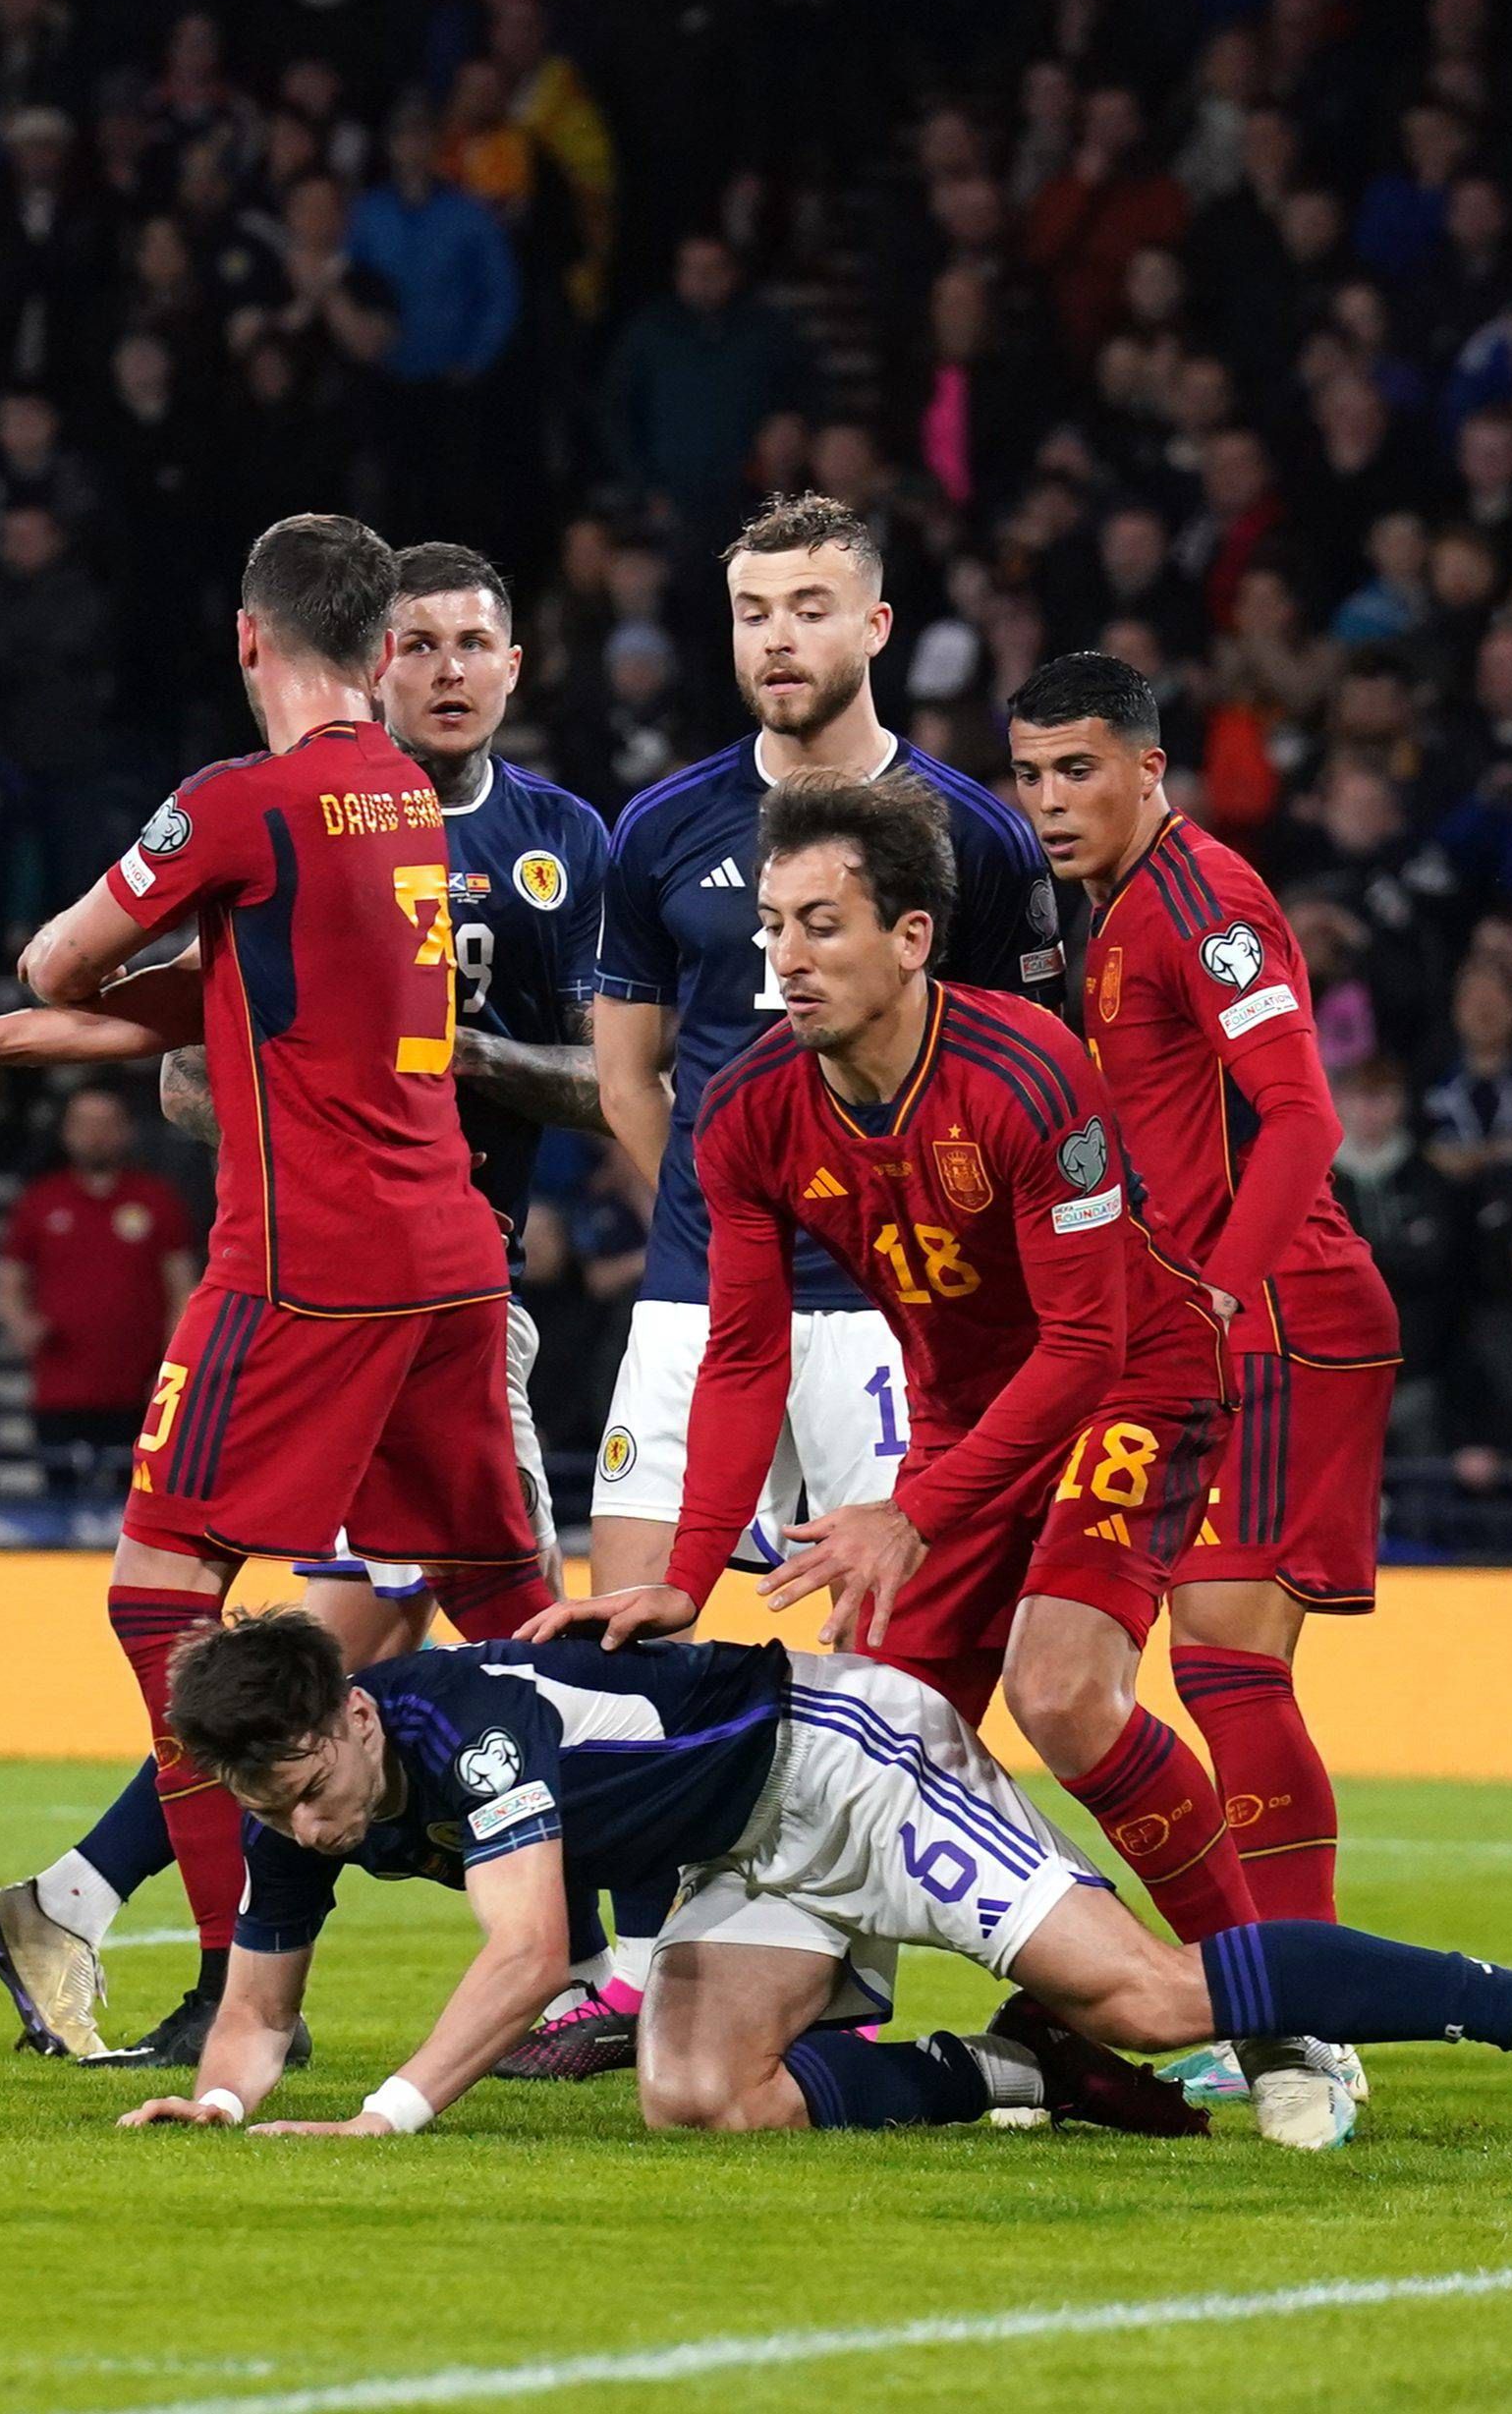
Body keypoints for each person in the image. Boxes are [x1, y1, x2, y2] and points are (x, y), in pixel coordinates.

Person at [540, 769, 1368, 2144]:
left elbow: (1087, 1344)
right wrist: (686, 1575)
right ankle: (976, 2021)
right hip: (968, 1426)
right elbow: (741, 1358)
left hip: (1132, 1388)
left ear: (911, 937)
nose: (785, 961)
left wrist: (905, 1514)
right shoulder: (747, 1111)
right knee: (877, 1737)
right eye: (772, 930)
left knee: (1059, 1689)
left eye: (821, 926)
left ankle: (1283, 2018)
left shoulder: (1029, 1070)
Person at [0, 515, 557, 2071]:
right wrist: (1, 1040)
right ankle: (646, 1926)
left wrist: (30, 996)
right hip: (451, 1261)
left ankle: (231, 1976)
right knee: (511, 1599)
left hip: (308, 1265)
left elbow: (67, 955)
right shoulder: (400, 799)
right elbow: (238, 992)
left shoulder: (235, 804)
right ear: (385, 654)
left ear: (248, 638)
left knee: (155, 1595)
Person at [111, 1606, 1512, 2157]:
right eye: (272, 1801)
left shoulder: (474, 1728)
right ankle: (1011, 2066)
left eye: (311, 1786)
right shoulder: (285, 1794)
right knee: (697, 2097)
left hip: (840, 1760)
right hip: (738, 1841)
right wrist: (230, 2100)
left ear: (357, 1714)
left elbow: (526, 1952)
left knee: (1148, 1995)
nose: (302, 1826)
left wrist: (388, 2115)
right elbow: (255, 2015)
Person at [578, 492, 1062, 2006]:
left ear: (873, 626)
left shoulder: (970, 838)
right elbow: (623, 1074)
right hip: (696, 1301)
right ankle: (637, 1960)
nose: (775, 636)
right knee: (633, 1624)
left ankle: (856, 1961)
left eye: (805, 607)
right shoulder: (660, 826)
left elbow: (1024, 1074)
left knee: (884, 1663)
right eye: (751, 612)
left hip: (891, 1311)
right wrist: (737, 1224)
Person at [1004, 652, 1402, 1996]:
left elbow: (1301, 1116)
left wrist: (1220, 1293)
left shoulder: (1203, 899)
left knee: (1227, 1660)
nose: (1051, 802)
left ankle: (1299, 2009)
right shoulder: (1112, 911)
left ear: (1147, 769)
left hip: (1277, 1311)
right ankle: (1264, 1989)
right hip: (1197, 1325)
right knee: (1202, 1661)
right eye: (1031, 776)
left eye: (1078, 771)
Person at [0, 1084, 196, 1465]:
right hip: (58, 1390)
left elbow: (183, 1290)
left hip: (139, 1389)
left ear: (127, 1131)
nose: (95, 1135)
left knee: (133, 1504)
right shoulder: (39, 1201)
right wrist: (21, 1324)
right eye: (85, 1124)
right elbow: (10, 1281)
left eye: (106, 1124)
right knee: (55, 1504)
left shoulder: (158, 1201)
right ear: (67, 1132)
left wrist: (171, 1369)